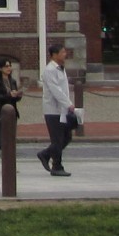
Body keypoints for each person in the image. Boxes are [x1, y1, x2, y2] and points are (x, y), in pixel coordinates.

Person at [34, 43, 75, 177]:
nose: (65, 54)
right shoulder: (50, 70)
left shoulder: (60, 68)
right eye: (62, 52)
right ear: (54, 55)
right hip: (53, 110)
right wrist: (68, 104)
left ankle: (46, 154)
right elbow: (55, 90)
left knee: (66, 136)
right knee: (57, 139)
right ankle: (57, 166)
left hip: (61, 110)